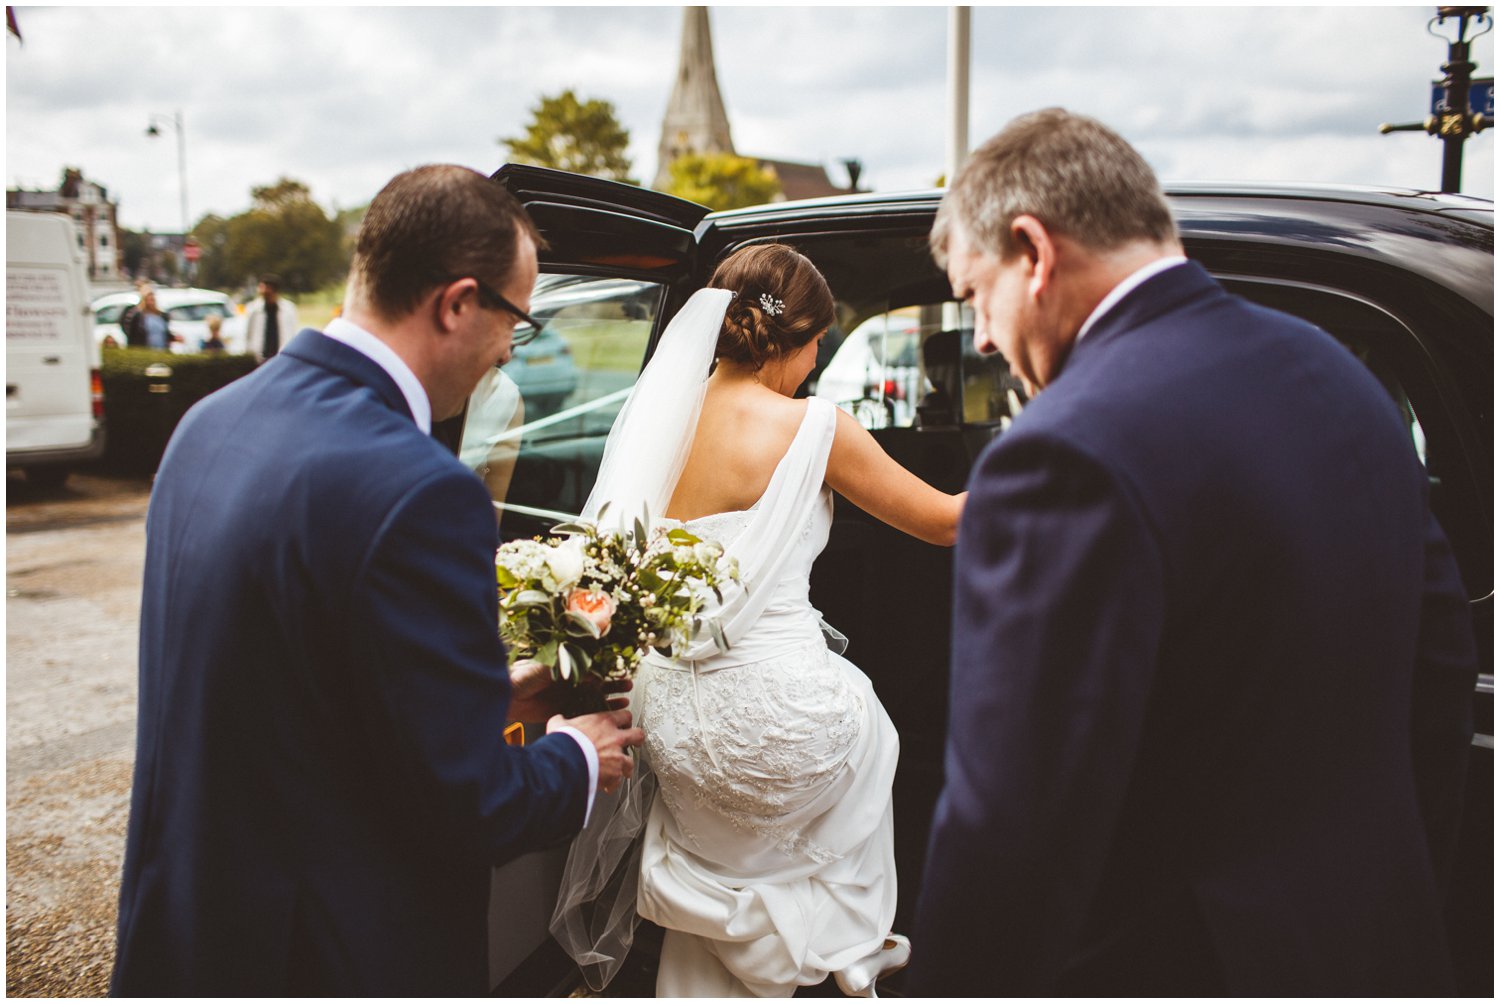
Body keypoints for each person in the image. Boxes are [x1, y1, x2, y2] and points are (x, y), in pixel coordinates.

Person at [911, 108, 1478, 995]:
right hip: (1375, 949)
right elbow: (1435, 681)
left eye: (977, 293)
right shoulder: (1339, 375)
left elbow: (1015, 832)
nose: (981, 335)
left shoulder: (1060, 452)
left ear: (1034, 250)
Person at [111, 165, 644, 996]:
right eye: (518, 321)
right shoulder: (421, 489)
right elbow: (466, 805)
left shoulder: (208, 424)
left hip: (192, 927)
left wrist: (490, 698)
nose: (510, 349)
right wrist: (577, 756)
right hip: (326, 951)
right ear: (459, 304)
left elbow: (281, 686)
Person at [553, 244, 966, 996]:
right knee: (876, 733)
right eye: (817, 346)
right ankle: (832, 945)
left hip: (668, 722)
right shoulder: (814, 428)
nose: (814, 365)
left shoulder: (658, 418)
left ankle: (750, 944)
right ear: (794, 339)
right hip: (785, 722)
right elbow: (946, 523)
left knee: (726, 859)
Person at [243, 272, 300, 361]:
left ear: (275, 291)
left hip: (281, 358)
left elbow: (292, 333)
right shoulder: (253, 309)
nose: (265, 294)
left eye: (268, 292)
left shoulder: (289, 309)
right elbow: (248, 334)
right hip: (259, 358)